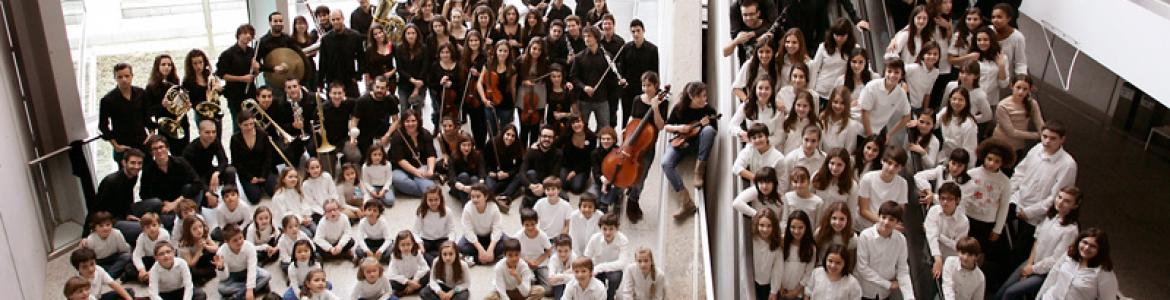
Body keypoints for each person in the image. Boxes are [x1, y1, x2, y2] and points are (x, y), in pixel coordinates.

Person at [995, 186, 1081, 300]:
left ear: (1075, 205)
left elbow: (1056, 259)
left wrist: (1033, 269)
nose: (1060, 202)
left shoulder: (1071, 230)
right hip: (1033, 262)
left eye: (1067, 201)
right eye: (1059, 197)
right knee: (1003, 289)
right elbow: (1037, 241)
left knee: (1010, 293)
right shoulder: (1050, 217)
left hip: (1046, 273)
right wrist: (1029, 264)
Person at [1010, 121, 1077, 260]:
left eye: (1053, 138)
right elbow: (1020, 173)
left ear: (1062, 140)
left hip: (1035, 216)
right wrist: (1009, 194)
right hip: (1017, 201)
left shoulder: (1068, 165)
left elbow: (1057, 197)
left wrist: (1029, 212)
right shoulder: (1037, 149)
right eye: (1044, 136)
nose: (1047, 141)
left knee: (1019, 252)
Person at [661, 81, 718, 219]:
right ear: (692, 96)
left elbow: (713, 132)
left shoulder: (709, 111)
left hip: (698, 144)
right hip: (680, 142)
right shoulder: (680, 108)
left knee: (709, 130)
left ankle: (699, 170)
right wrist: (680, 128)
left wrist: (704, 126)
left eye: (705, 96)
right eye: (702, 96)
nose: (705, 99)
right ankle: (686, 201)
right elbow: (667, 127)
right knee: (666, 163)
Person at [855, 201, 915, 300]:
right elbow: (862, 268)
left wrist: (910, 297)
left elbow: (903, 269)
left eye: (891, 219)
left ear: (898, 222)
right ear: (878, 216)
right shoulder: (865, 236)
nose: (886, 222)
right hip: (863, 290)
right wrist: (888, 284)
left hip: (884, 294)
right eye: (883, 217)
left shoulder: (900, 240)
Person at [1036, 228, 1119, 300]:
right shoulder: (1069, 255)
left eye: (1093, 246)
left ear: (1100, 250)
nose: (1086, 248)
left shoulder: (1104, 273)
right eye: (1085, 242)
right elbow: (1052, 277)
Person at [90, 148, 150, 242]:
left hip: (124, 212)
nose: (136, 166)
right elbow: (95, 207)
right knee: (145, 227)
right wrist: (86, 234)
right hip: (112, 219)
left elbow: (128, 197)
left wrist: (128, 213)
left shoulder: (133, 175)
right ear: (124, 163)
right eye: (133, 163)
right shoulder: (110, 181)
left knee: (156, 203)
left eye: (139, 163)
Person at [99, 62, 150, 162]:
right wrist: (116, 145)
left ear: (132, 76)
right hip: (123, 146)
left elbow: (147, 117)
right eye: (120, 77)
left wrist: (151, 135)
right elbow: (103, 125)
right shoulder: (107, 100)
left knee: (150, 174)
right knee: (125, 176)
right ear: (115, 78)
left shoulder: (141, 93)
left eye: (127, 76)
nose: (124, 80)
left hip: (143, 142)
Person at [925, 182, 971, 279]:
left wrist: (940, 236)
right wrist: (938, 259)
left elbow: (957, 246)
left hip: (950, 260)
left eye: (949, 199)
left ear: (957, 200)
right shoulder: (933, 211)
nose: (945, 202)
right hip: (932, 254)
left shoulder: (963, 221)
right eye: (942, 198)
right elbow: (932, 237)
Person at [213, 224, 272, 300]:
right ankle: (251, 290)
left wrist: (250, 289)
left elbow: (252, 268)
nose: (239, 242)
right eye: (235, 240)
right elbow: (224, 278)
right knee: (222, 288)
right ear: (226, 242)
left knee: (267, 275)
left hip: (247, 270)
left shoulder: (249, 246)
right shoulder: (221, 252)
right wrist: (221, 268)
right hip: (232, 275)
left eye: (241, 238)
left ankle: (237, 296)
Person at [859, 59, 911, 141]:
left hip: (876, 132)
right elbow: (864, 111)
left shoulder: (901, 94)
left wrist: (890, 134)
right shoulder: (872, 86)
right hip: (860, 129)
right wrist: (870, 137)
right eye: (889, 71)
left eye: (896, 72)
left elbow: (907, 116)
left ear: (902, 75)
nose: (892, 75)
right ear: (884, 72)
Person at [390, 109, 439, 197]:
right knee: (397, 179)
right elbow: (400, 160)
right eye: (407, 121)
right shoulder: (397, 136)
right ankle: (428, 193)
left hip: (421, 166)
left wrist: (430, 170)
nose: (410, 124)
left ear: (418, 121)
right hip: (401, 168)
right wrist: (416, 172)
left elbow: (431, 154)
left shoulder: (425, 134)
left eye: (413, 121)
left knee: (424, 183)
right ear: (403, 123)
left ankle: (426, 191)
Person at [216, 24, 259, 124]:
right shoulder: (227, 54)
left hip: (250, 93)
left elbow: (253, 74)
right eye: (245, 33)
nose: (248, 36)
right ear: (238, 35)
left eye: (250, 34)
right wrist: (242, 79)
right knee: (238, 124)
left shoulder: (252, 52)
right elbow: (222, 75)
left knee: (253, 122)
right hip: (235, 94)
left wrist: (256, 70)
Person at [856, 147, 908, 229]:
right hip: (865, 227)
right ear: (882, 161)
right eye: (889, 163)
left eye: (896, 166)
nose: (891, 168)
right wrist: (885, 223)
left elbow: (899, 211)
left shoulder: (903, 183)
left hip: (887, 227)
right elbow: (863, 210)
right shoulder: (868, 178)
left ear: (901, 168)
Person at [182, 120, 233, 203]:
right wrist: (207, 192)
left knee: (230, 170)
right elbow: (192, 175)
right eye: (207, 132)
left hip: (209, 172)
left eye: (214, 132)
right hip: (195, 178)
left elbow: (224, 160)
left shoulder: (215, 141)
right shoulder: (189, 150)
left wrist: (217, 173)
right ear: (199, 132)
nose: (211, 135)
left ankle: (230, 195)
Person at [230, 112, 276, 203]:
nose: (249, 127)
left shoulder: (262, 134)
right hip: (247, 173)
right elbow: (236, 162)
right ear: (239, 125)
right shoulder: (235, 139)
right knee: (255, 199)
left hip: (263, 170)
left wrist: (263, 175)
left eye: (251, 124)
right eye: (246, 125)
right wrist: (250, 177)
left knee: (274, 192)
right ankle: (258, 186)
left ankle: (263, 184)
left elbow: (268, 157)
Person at [992, 75, 1045, 154]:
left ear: (1029, 90)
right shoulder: (1003, 105)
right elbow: (1011, 132)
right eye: (1018, 87)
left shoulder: (1032, 103)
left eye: (1025, 89)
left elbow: (1039, 122)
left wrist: (1044, 134)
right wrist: (1036, 135)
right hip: (1001, 144)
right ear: (1012, 86)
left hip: (1018, 145)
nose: (1021, 92)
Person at [144, 54, 186, 153]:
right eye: (163, 64)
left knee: (183, 153)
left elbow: (180, 104)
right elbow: (148, 111)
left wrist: (185, 106)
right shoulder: (151, 87)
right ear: (157, 67)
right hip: (165, 125)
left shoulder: (175, 82)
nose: (167, 67)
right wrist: (162, 106)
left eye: (169, 64)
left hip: (180, 123)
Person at [571, 25, 611, 127]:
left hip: (602, 99)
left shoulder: (607, 56)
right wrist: (584, 87)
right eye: (584, 36)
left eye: (589, 36)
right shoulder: (579, 57)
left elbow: (612, 77)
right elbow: (573, 77)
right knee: (582, 128)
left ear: (596, 38)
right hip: (584, 100)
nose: (586, 39)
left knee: (604, 128)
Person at [319, 10, 364, 97]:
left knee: (354, 106)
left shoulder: (355, 36)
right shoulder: (325, 39)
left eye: (338, 19)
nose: (336, 22)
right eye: (333, 20)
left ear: (343, 19)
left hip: (350, 79)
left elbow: (361, 57)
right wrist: (320, 83)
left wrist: (358, 75)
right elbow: (322, 62)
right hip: (332, 80)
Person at [459, 184, 507, 265]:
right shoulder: (467, 208)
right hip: (476, 238)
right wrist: (480, 249)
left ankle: (482, 257)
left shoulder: (493, 207)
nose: (475, 199)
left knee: (507, 243)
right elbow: (468, 231)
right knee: (461, 246)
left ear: (486, 196)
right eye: (472, 196)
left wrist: (491, 249)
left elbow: (497, 229)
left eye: (478, 196)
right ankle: (486, 257)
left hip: (490, 236)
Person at [583, 213, 628, 299]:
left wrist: (601, 267)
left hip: (613, 270)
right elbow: (586, 257)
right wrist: (591, 270)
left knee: (615, 278)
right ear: (600, 228)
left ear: (617, 229)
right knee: (597, 288)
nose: (607, 232)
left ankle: (611, 296)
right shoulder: (594, 238)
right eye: (604, 229)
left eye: (611, 229)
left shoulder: (623, 240)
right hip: (597, 270)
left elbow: (622, 263)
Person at [731, 77, 781, 147]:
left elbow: (779, 136)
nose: (763, 91)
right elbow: (731, 125)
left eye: (767, 88)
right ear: (755, 90)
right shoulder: (747, 105)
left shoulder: (778, 108)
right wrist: (740, 133)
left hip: (771, 148)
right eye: (760, 88)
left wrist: (762, 142)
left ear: (772, 91)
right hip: (751, 147)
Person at [415, 186, 458, 264]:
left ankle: (433, 259)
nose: (433, 203)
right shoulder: (422, 212)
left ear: (440, 199)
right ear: (426, 200)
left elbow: (452, 230)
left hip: (442, 239)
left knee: (451, 252)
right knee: (416, 252)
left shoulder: (447, 211)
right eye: (430, 200)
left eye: (436, 199)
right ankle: (437, 260)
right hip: (426, 240)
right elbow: (415, 232)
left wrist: (450, 243)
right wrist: (420, 244)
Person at [749, 207, 783, 300]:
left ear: (774, 227)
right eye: (762, 225)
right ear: (757, 225)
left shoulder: (776, 247)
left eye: (769, 226)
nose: (765, 229)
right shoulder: (752, 241)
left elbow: (777, 270)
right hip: (751, 282)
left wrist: (773, 291)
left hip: (766, 286)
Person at [127, 213, 171, 284]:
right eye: (147, 227)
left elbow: (166, 253)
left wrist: (151, 271)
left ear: (159, 225)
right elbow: (137, 255)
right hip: (149, 258)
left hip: (161, 258)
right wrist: (142, 270)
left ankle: (148, 278)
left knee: (168, 266)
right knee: (129, 267)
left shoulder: (164, 235)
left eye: (154, 225)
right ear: (143, 229)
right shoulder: (142, 237)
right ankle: (147, 278)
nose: (151, 229)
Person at [514, 209, 553, 287]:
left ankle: (537, 277)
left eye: (532, 224)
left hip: (541, 263)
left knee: (549, 289)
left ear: (536, 222)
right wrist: (528, 261)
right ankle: (534, 279)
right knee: (528, 284)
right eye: (527, 225)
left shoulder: (542, 235)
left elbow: (549, 250)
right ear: (522, 224)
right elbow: (515, 253)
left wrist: (538, 262)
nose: (530, 227)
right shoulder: (517, 236)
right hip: (525, 264)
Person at [520, 125, 563, 195]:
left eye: (550, 137)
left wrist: (543, 187)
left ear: (553, 139)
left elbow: (555, 175)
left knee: (565, 198)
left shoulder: (558, 154)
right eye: (544, 136)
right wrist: (530, 185)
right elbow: (522, 172)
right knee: (530, 173)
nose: (547, 139)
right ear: (539, 137)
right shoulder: (531, 151)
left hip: (549, 184)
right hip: (534, 183)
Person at [396, 24, 431, 108]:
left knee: (417, 112)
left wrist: (416, 87)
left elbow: (425, 67)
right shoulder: (399, 48)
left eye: (413, 33)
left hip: (420, 83)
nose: (411, 36)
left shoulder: (424, 48)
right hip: (404, 84)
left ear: (417, 34)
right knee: (404, 110)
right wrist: (412, 80)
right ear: (404, 35)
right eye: (408, 33)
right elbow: (400, 68)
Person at [557, 117, 595, 194]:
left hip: (582, 167)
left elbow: (589, 159)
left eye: (578, 122)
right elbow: (555, 144)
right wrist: (538, 144)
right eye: (573, 123)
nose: (576, 125)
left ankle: (585, 179)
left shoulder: (591, 137)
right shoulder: (567, 133)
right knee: (564, 185)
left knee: (576, 188)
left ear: (583, 122)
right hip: (567, 165)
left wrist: (575, 172)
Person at [388, 230, 431, 296]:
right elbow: (391, 274)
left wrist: (415, 279)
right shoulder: (394, 256)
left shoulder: (417, 252)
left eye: (408, 244)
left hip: (415, 278)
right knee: (389, 283)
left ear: (413, 244)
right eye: (402, 245)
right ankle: (413, 289)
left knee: (429, 274)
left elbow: (426, 267)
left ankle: (406, 291)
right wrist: (408, 282)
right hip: (402, 281)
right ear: (398, 246)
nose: (406, 247)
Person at [990, 4, 1027, 77]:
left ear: (1008, 18)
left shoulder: (1018, 37)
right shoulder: (988, 30)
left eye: (999, 17)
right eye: (993, 17)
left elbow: (1020, 63)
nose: (995, 20)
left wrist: (1021, 79)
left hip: (1004, 79)